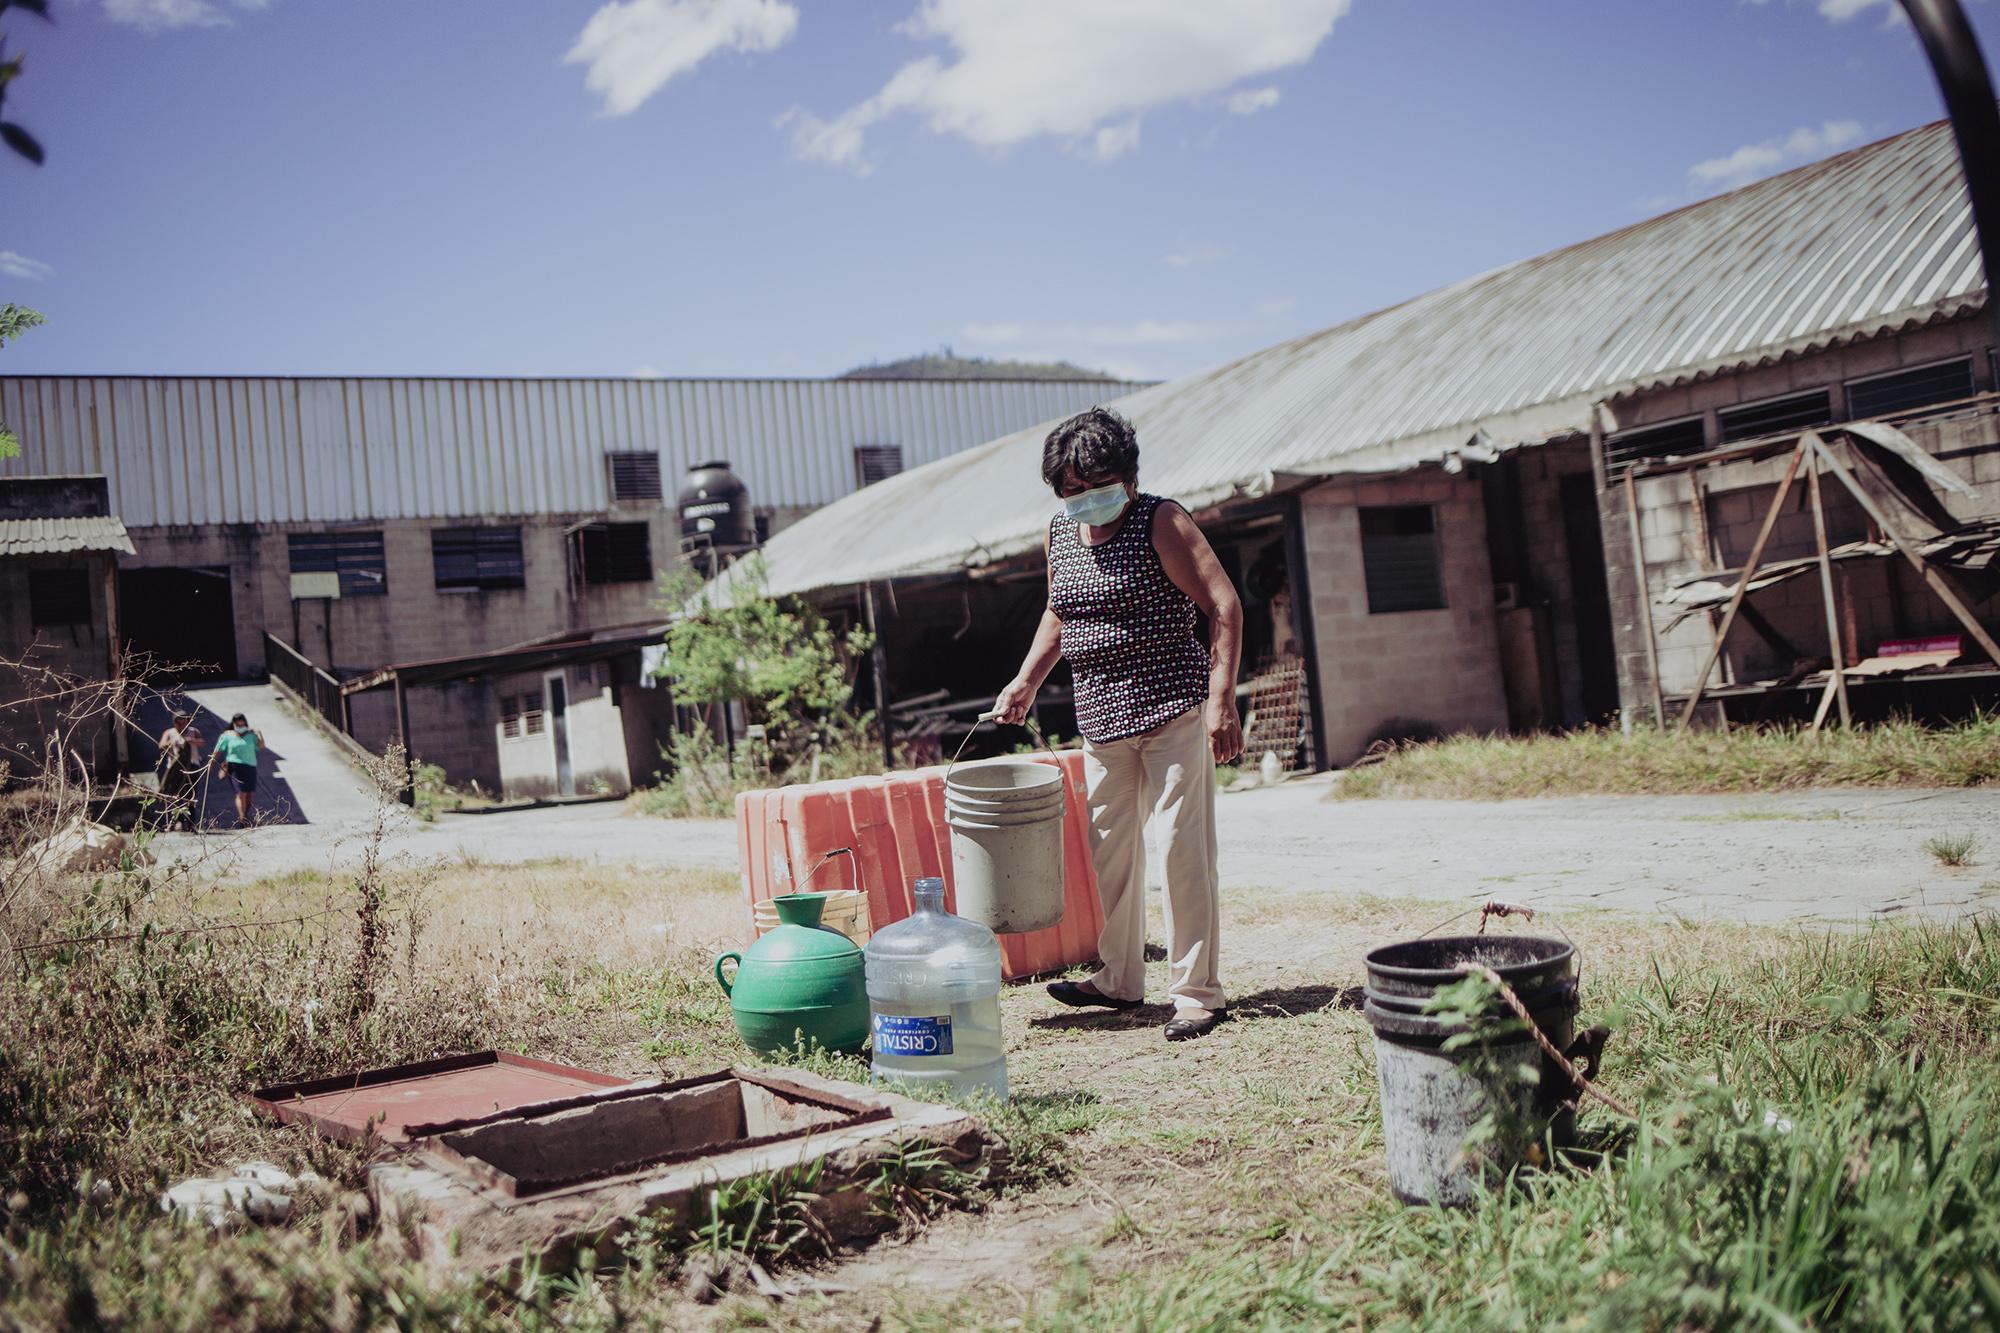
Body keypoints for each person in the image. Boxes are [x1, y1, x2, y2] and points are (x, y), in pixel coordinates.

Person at [994, 407, 1243, 1042]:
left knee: (1181, 851)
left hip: (1172, 710)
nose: (1082, 500)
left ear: (1127, 477)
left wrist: (1221, 700)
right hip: (1101, 719)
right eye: (1069, 490)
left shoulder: (1161, 519)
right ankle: (1118, 980)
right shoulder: (1060, 532)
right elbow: (1061, 610)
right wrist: (1026, 680)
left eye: (1095, 485)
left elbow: (1223, 605)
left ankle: (1196, 993)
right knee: (1111, 854)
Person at [209, 712, 265, 828]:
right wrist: (211, 764)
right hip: (234, 766)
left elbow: (261, 746)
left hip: (250, 766)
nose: (240, 727)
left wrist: (259, 733)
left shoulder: (251, 735)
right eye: (238, 725)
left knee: (249, 794)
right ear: (234, 724)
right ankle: (242, 818)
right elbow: (218, 750)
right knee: (240, 793)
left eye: (242, 724)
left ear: (245, 723)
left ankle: (245, 815)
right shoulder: (227, 735)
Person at [154, 710, 205, 823]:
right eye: (179, 723)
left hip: (192, 766)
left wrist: (191, 741)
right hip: (176, 767)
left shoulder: (193, 731)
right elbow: (161, 745)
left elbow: (202, 742)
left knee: (191, 794)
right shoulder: (169, 732)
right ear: (175, 723)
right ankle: (178, 820)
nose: (182, 725)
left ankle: (192, 822)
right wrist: (172, 743)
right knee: (177, 793)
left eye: (184, 722)